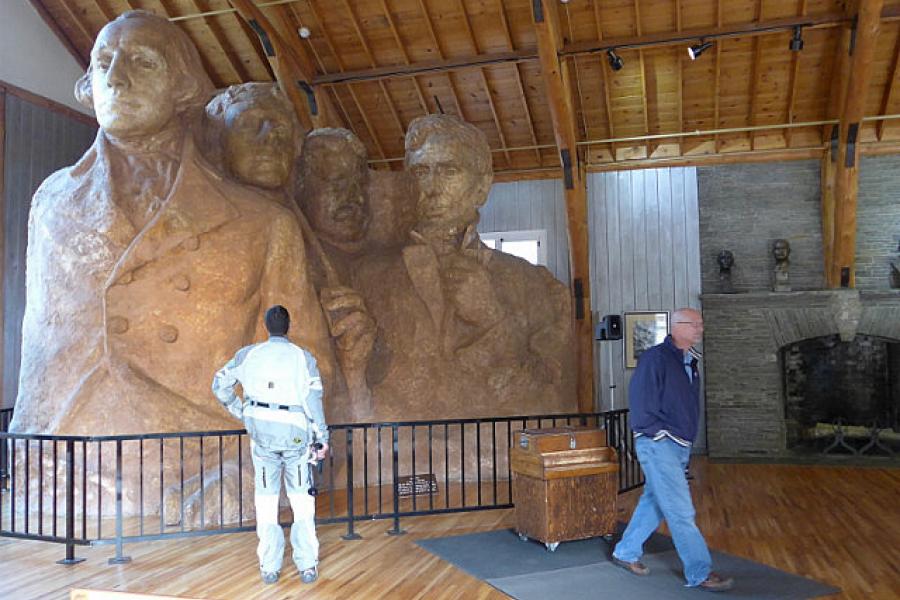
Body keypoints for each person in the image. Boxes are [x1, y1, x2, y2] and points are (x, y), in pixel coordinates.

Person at [611, 308, 734, 592]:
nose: (700, 329)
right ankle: (700, 571)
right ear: (677, 327)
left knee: (654, 501)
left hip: (678, 445)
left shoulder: (690, 361)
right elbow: (641, 403)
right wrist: (658, 433)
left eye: (701, 324)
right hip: (659, 444)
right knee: (680, 511)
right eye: (694, 324)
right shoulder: (656, 358)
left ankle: (625, 551)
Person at [213, 305, 329, 585]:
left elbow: (219, 385)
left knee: (265, 502)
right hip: (296, 438)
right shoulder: (303, 357)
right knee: (302, 502)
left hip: (262, 437)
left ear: (266, 326)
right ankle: (307, 565)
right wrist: (322, 437)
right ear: (288, 326)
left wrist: (241, 410)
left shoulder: (248, 354)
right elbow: (313, 401)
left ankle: (269, 565)